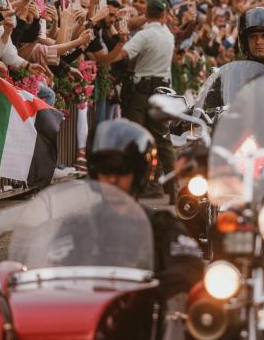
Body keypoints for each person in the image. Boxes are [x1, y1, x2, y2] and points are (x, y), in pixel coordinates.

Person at [86, 119, 202, 299]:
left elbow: (190, 268)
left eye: (121, 172)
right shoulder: (79, 225)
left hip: (143, 317)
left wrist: (150, 289)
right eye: (106, 171)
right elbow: (50, 274)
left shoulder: (162, 225)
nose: (112, 180)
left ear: (139, 173)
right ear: (95, 173)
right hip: (87, 319)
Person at [98, 0, 177, 199]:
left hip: (143, 93)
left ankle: (135, 185)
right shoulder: (169, 35)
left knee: (137, 136)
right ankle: (171, 185)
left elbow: (122, 55)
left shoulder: (144, 36)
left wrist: (104, 59)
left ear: (147, 14)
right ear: (164, 15)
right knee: (163, 139)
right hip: (162, 90)